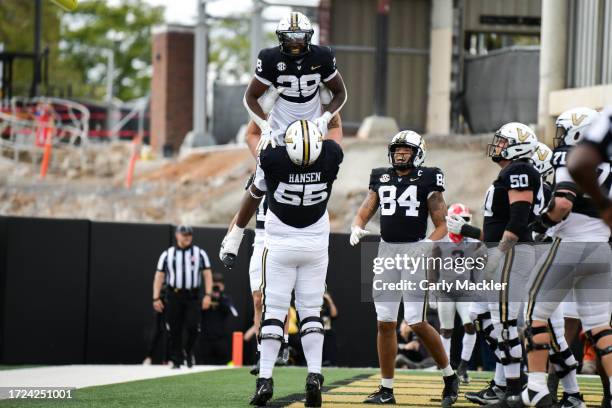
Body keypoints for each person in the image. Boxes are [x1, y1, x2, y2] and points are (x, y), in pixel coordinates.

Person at [219, 119, 343, 407]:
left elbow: (252, 197)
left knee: (273, 313)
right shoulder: (331, 158)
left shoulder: (272, 159)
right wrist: (329, 113)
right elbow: (335, 133)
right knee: (311, 312)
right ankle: (314, 375)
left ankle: (265, 379)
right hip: (314, 245)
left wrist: (235, 235)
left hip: (279, 244)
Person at [349, 131, 459, 406]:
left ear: (418, 153)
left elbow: (442, 224)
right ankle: (386, 389)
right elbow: (366, 208)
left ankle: (449, 376)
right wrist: (357, 225)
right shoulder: (381, 176)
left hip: (414, 251)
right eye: (397, 149)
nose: (400, 153)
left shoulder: (429, 177)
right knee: (384, 322)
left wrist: (425, 245)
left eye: (406, 149)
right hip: (387, 250)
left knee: (416, 321)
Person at [522, 107, 611, 408]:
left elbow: (562, 203)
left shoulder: (568, 156)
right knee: (600, 328)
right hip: (601, 247)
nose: (559, 137)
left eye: (562, 131)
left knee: (533, 313)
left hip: (570, 245)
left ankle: (535, 386)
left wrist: (540, 225)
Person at [447, 122, 540, 407]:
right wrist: (470, 234)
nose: (497, 146)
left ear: (517, 145)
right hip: (505, 252)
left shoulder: (520, 170)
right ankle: (506, 384)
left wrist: (498, 254)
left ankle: (514, 389)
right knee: (491, 321)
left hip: (511, 254)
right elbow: (496, 226)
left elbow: (518, 218)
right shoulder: (508, 173)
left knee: (507, 323)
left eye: (503, 142)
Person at [243, 11, 347, 154]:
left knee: (326, 96)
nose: (294, 42)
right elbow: (250, 96)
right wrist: (264, 126)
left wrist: (326, 116)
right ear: (280, 37)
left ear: (309, 36)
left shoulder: (322, 56)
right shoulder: (269, 58)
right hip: (280, 120)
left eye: (299, 37)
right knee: (266, 169)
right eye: (289, 37)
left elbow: (340, 92)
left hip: (314, 119)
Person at [153, 225, 213, 369]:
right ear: (177, 235)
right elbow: (159, 276)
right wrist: (156, 298)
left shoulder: (199, 253)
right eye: (184, 234)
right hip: (174, 295)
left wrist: (208, 295)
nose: (187, 237)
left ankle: (188, 351)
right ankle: (176, 359)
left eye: (189, 235)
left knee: (193, 327)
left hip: (192, 295)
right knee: (174, 328)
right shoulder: (168, 254)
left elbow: (207, 274)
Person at [435, 203, 481, 384]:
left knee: (470, 326)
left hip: (465, 291)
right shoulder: (441, 239)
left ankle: (463, 367)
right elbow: (433, 266)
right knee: (446, 330)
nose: (465, 223)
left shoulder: (474, 242)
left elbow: (481, 267)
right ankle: (447, 370)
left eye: (467, 220)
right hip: (445, 290)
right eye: (462, 219)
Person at [200, 273, 235, 365]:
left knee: (223, 365)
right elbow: (198, 310)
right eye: (214, 285)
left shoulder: (226, 299)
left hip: (221, 339)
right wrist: (209, 296)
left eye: (218, 285)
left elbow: (228, 311)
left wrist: (219, 298)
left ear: (223, 286)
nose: (216, 288)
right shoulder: (204, 298)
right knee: (205, 365)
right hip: (206, 339)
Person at [143, 282, 169, 365]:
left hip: (172, 300)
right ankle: (149, 357)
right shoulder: (162, 273)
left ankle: (167, 359)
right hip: (161, 300)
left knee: (169, 330)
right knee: (157, 330)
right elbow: (158, 282)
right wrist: (157, 298)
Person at [322, 291, 339, 366]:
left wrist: (329, 300)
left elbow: (334, 314)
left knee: (330, 349)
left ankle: (330, 363)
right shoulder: (316, 308)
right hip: (318, 332)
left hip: (328, 333)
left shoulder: (328, 308)